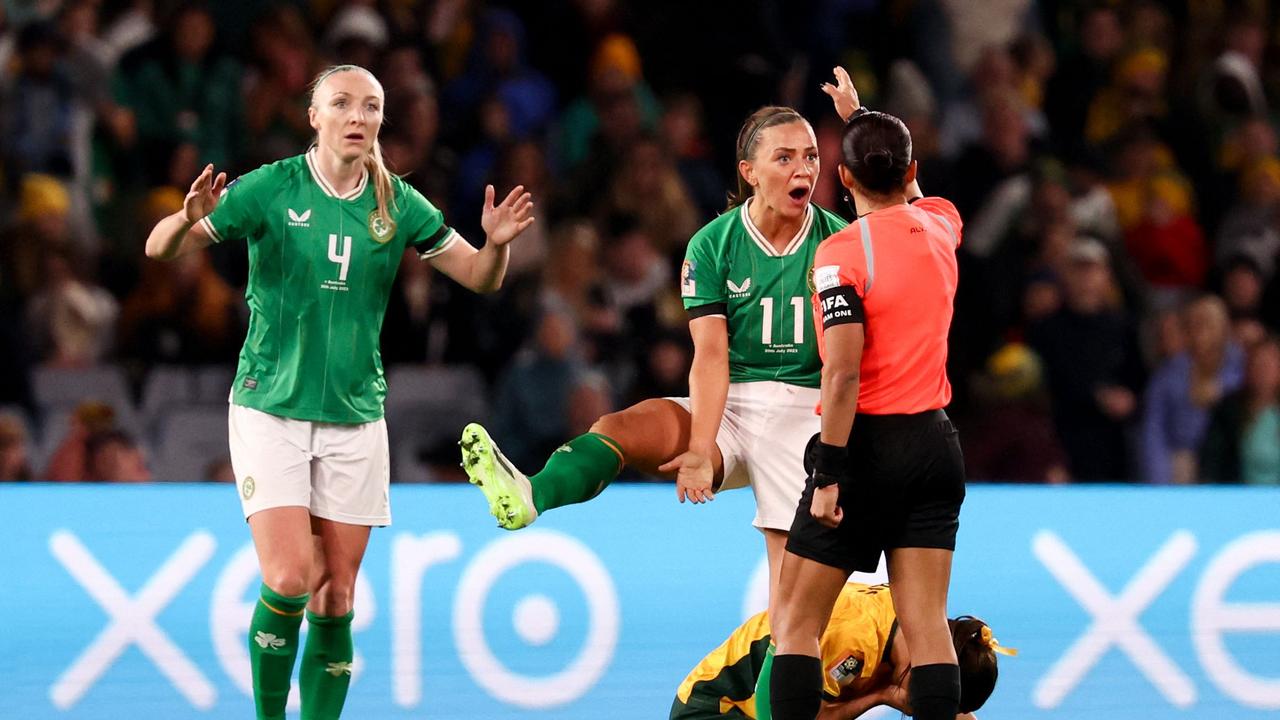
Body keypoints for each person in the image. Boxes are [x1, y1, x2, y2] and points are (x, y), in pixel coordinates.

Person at [143, 64, 533, 720]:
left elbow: (479, 276)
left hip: (355, 417)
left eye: (371, 106)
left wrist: (495, 248)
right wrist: (185, 223)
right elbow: (158, 250)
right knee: (292, 577)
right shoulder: (269, 188)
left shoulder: (398, 204)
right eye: (343, 104)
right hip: (271, 407)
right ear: (315, 117)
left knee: (338, 594)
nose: (358, 116)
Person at [461, 69, 860, 610]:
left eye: (811, 156)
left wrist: (859, 124)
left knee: (792, 621)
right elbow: (711, 356)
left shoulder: (840, 241)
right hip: (733, 407)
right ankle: (533, 493)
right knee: (620, 428)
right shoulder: (712, 245)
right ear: (749, 171)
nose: (804, 169)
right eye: (785, 157)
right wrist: (700, 449)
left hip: (804, 420)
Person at [764, 78, 970, 720]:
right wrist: (864, 121)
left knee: (795, 623)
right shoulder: (943, 225)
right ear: (911, 169)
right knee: (928, 626)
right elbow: (908, 189)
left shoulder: (839, 255)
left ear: (843, 181)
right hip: (936, 446)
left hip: (866, 448)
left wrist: (829, 475)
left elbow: (843, 376)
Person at [672, 583, 1010, 720]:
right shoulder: (855, 643)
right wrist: (881, 695)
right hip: (717, 708)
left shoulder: (921, 629)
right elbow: (805, 716)